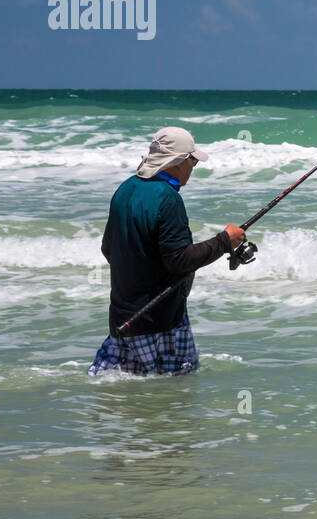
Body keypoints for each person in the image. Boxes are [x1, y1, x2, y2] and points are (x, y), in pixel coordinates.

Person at [87, 127, 245, 376]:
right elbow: (179, 261)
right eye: (192, 160)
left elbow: (108, 248)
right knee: (174, 395)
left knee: (122, 391)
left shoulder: (126, 188)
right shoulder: (167, 198)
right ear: (179, 162)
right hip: (161, 321)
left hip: (123, 316)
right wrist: (225, 241)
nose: (193, 167)